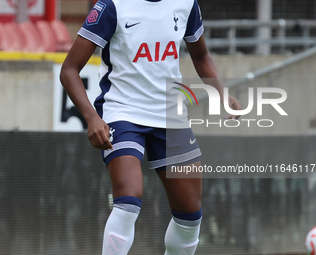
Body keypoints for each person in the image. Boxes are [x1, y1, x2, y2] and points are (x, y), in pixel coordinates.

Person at [60, 0, 242, 254]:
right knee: (128, 201)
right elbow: (69, 70)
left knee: (190, 217)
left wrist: (222, 94)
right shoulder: (112, 5)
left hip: (170, 115)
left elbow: (201, 55)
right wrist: (92, 117)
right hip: (123, 111)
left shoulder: (186, 4)